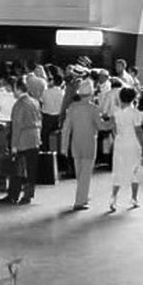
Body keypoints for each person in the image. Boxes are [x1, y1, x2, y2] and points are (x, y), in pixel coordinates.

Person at [61, 80, 101, 211]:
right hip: (89, 144)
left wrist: (63, 146)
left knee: (80, 173)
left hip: (75, 145)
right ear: (91, 94)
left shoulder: (72, 108)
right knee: (86, 174)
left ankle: (83, 195)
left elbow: (66, 129)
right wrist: (113, 122)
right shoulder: (94, 109)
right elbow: (100, 126)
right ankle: (80, 201)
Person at [2, 78, 41, 205]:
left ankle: (13, 195)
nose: (13, 92)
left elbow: (17, 125)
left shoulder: (19, 104)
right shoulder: (34, 102)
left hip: (23, 139)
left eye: (14, 89)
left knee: (17, 169)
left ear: (18, 89)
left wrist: (14, 145)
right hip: (35, 137)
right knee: (31, 169)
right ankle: (28, 195)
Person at [108, 87, 143, 211]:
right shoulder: (136, 113)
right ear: (133, 98)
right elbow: (138, 131)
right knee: (135, 169)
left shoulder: (116, 113)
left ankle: (113, 198)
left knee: (118, 169)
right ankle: (134, 198)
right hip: (133, 142)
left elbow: (114, 129)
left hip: (119, 142)